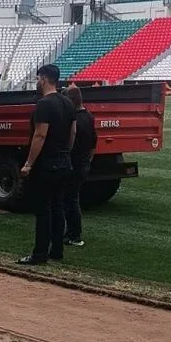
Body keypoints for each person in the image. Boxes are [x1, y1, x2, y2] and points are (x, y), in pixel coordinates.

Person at [17, 64, 76, 265]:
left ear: (43, 79)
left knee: (43, 210)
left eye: (38, 78)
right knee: (58, 207)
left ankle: (40, 254)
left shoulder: (44, 104)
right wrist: (66, 152)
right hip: (64, 162)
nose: (37, 82)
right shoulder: (68, 103)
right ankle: (57, 251)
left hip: (47, 164)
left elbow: (40, 134)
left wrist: (28, 163)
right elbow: (73, 132)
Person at [62, 85, 98, 247]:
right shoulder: (89, 116)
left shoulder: (74, 118)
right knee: (72, 199)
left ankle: (74, 235)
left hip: (73, 164)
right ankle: (71, 233)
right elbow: (93, 142)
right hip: (83, 163)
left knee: (70, 200)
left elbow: (71, 141)